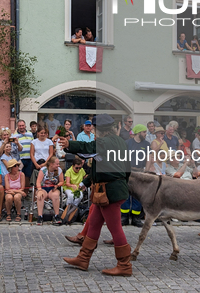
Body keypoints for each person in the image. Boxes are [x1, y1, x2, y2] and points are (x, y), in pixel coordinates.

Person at [59, 114, 132, 277]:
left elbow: (88, 147)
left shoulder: (104, 142)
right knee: (93, 224)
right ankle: (83, 259)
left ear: (100, 130)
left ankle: (125, 265)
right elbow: (127, 167)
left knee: (115, 229)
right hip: (111, 189)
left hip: (109, 191)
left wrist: (69, 144)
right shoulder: (120, 141)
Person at [122, 124, 149, 227]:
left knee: (138, 196)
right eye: (144, 132)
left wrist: (146, 171)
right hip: (128, 172)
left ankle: (136, 218)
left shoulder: (146, 144)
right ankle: (124, 217)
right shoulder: (127, 143)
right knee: (126, 195)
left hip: (140, 172)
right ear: (138, 133)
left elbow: (148, 158)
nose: (145, 134)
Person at [35, 155, 64, 225]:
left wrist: (57, 185)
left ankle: (57, 215)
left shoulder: (59, 170)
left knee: (56, 196)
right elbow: (38, 181)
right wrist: (39, 190)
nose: (58, 165)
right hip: (43, 187)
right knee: (40, 195)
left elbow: (62, 181)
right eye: (57, 164)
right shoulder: (43, 170)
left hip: (53, 188)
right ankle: (40, 216)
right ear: (51, 164)